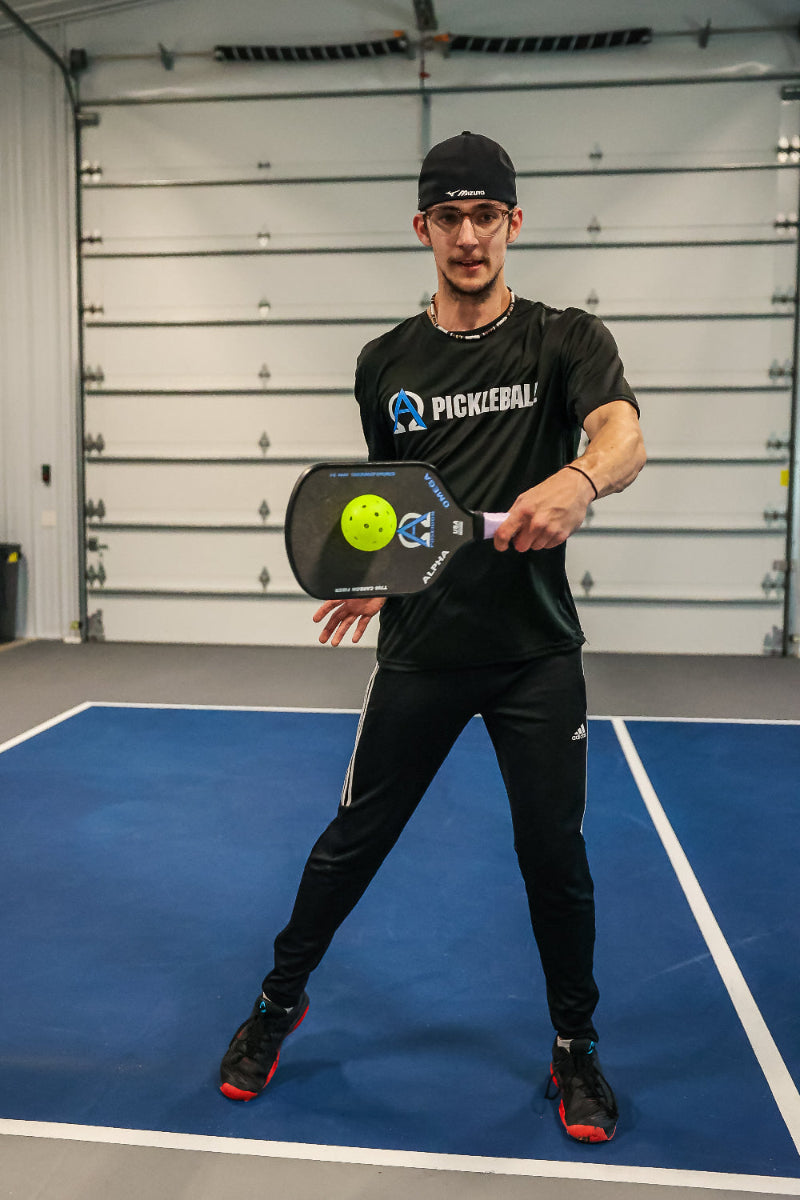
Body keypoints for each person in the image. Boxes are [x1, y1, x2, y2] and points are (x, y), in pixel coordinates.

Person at [220, 131, 646, 1144]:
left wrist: (580, 478)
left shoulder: (563, 340)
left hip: (534, 654)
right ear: (422, 229)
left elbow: (623, 435)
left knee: (554, 857)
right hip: (419, 652)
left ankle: (573, 1048)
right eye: (448, 218)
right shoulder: (384, 365)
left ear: (511, 224)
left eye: (484, 216)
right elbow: (395, 505)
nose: (467, 237)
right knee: (348, 846)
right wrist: (381, 574)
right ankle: (278, 1005)